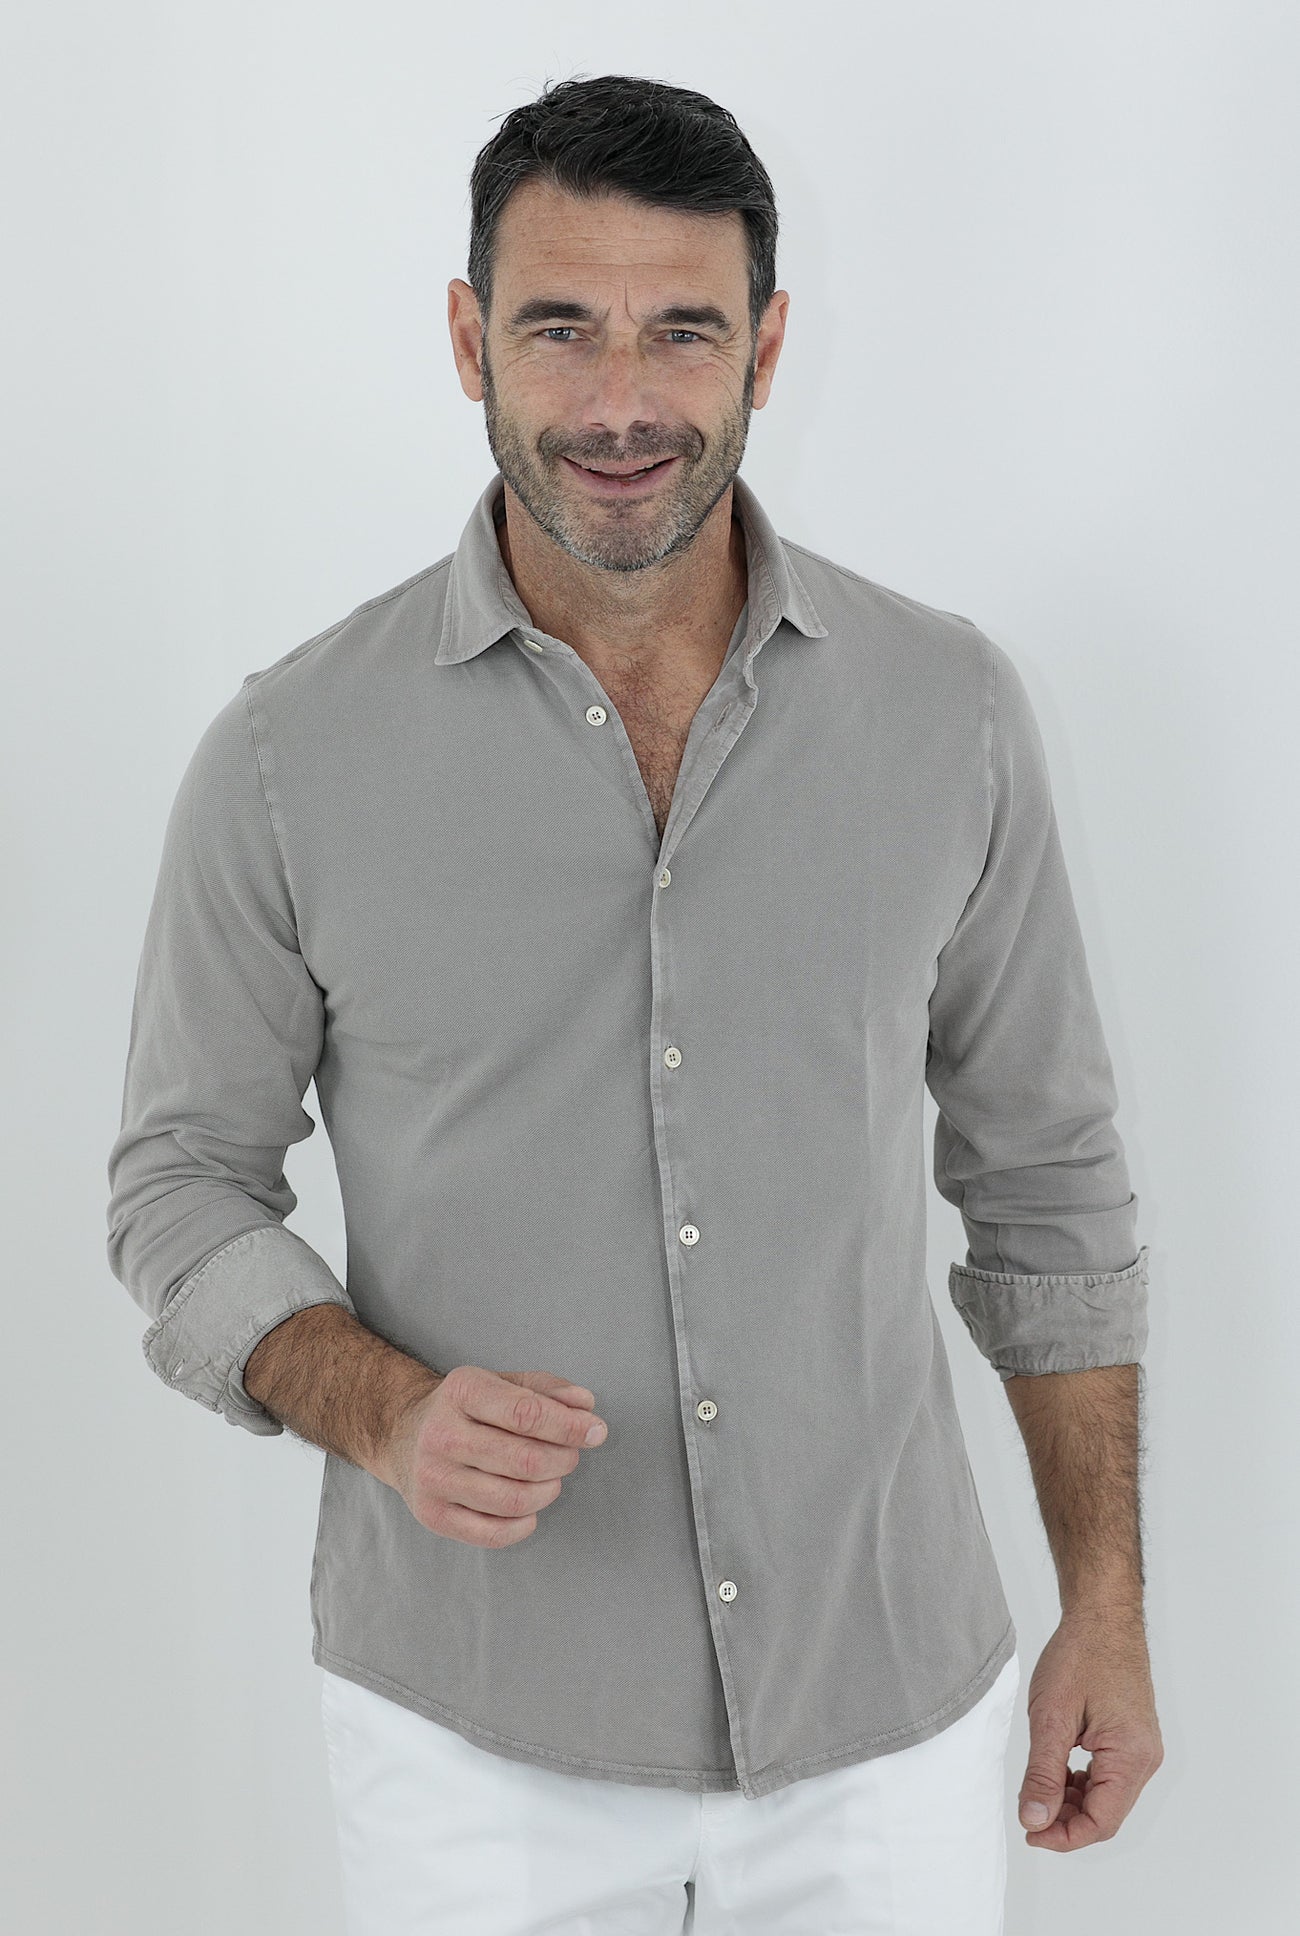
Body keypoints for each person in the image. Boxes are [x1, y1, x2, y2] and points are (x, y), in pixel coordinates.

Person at [106, 71, 1164, 1935]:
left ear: (767, 344)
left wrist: (1107, 1604)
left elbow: (1049, 1183)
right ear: (467, 341)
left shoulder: (950, 713)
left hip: (887, 1708)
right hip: (472, 1733)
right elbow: (180, 1184)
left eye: (681, 330)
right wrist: (382, 1411)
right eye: (558, 329)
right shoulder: (285, 756)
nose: (619, 405)